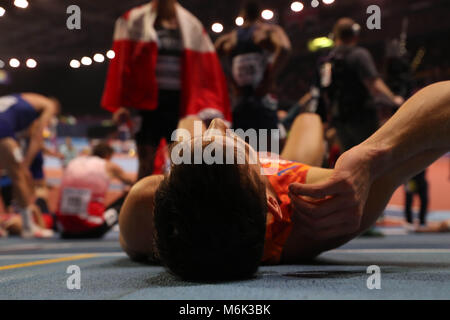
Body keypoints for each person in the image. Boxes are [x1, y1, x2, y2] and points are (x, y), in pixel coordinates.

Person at [118, 81, 450, 281]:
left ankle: (196, 151)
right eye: (233, 142)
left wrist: (191, 155)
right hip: (282, 181)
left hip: (209, 194)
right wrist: (375, 155)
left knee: (190, 122)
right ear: (272, 201)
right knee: (309, 119)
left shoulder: (144, 207)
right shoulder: (326, 208)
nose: (220, 122)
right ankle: (294, 114)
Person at [102, 0, 231, 180]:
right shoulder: (136, 20)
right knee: (145, 164)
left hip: (178, 105)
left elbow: (204, 68)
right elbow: (124, 65)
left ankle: (174, 204)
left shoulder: (190, 24)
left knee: (181, 162)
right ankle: (141, 204)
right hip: (147, 104)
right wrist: (123, 104)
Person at [317, 18, 404, 151]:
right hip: (362, 118)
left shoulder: (327, 61)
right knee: (373, 156)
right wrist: (394, 100)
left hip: (340, 121)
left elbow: (325, 92)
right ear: (355, 35)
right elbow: (374, 85)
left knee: (350, 160)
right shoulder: (359, 55)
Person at [215, 1, 291, 151]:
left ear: (242, 16)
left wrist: (230, 80)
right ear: (259, 14)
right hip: (262, 99)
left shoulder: (230, 39)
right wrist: (269, 80)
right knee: (270, 155)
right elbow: (285, 48)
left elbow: (210, 58)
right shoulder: (266, 32)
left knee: (243, 155)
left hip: (239, 101)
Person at [0, 93, 59, 238]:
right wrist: (25, 164)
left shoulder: (23, 99)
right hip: (2, 125)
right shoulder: (49, 105)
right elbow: (37, 137)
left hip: (4, 125)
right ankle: (28, 227)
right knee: (18, 175)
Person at [56, 142, 134, 238]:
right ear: (108, 156)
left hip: (64, 226)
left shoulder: (74, 162)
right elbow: (135, 184)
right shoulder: (109, 165)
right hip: (91, 229)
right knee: (129, 198)